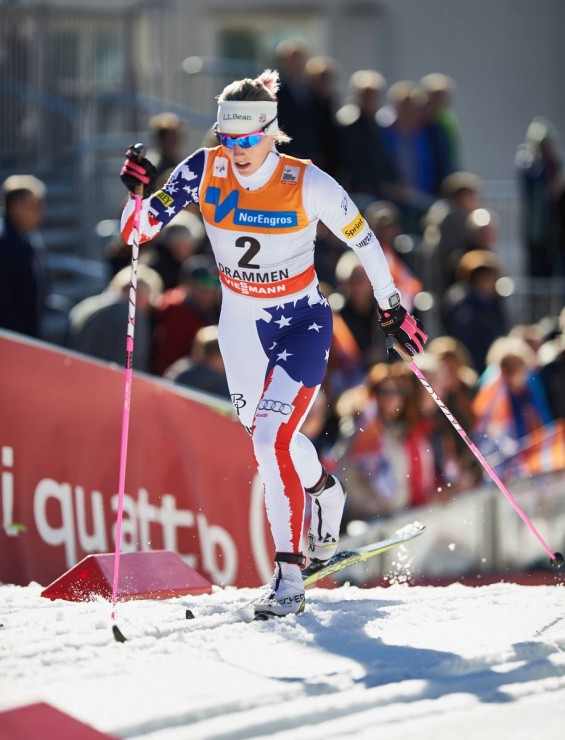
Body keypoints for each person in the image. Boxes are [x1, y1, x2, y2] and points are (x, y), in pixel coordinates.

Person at [119, 68, 427, 619]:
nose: (236, 150)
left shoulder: (307, 181)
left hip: (302, 322)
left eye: (247, 139)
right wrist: (137, 194)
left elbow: (365, 239)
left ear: (269, 131)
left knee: (268, 441)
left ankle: (289, 576)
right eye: (226, 138)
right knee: (269, 442)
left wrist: (391, 305)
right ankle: (325, 490)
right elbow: (137, 232)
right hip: (240, 324)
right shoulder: (203, 170)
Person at [0, 175, 49, 338]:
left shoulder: (30, 240)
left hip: (28, 336)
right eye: (33, 207)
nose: (40, 213)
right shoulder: (5, 244)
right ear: (15, 207)